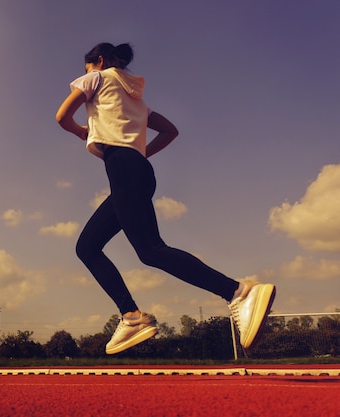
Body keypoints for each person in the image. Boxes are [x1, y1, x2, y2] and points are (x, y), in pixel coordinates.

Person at [55, 42, 276, 354]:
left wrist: (82, 132)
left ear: (99, 61)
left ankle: (238, 292)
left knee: (150, 250)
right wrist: (141, 153)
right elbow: (170, 131)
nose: (85, 73)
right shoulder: (136, 100)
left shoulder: (96, 78)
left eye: (87, 66)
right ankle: (131, 316)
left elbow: (62, 117)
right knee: (88, 247)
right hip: (137, 171)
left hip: (123, 168)